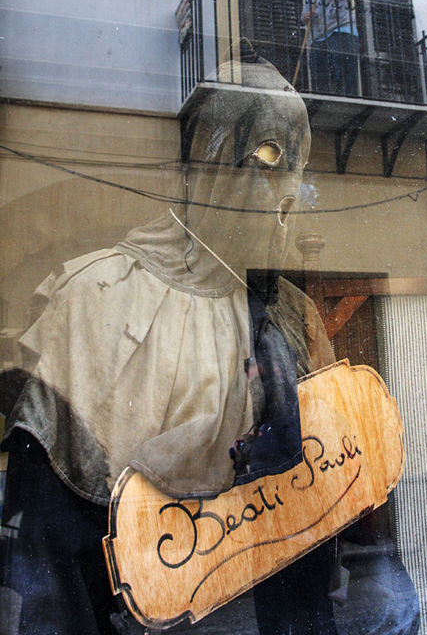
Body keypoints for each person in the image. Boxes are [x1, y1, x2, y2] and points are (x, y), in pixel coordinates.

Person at [0, 52, 338, 635]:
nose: (288, 192)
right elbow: (51, 562)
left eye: (298, 167)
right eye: (268, 157)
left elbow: (317, 514)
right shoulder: (97, 298)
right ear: (209, 162)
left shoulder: (293, 317)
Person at [302, 0, 359, 97]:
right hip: (320, 38)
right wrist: (307, 16)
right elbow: (304, 15)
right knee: (319, 73)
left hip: (340, 32)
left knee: (343, 73)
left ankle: (347, 100)